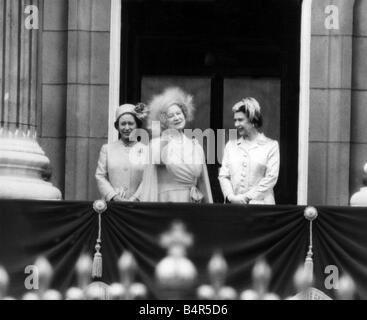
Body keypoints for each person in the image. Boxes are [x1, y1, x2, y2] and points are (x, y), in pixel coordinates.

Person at [134, 87, 213, 203]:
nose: (176, 118)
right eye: (171, 116)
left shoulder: (195, 145)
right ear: (164, 120)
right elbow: (158, 159)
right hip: (166, 201)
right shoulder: (157, 144)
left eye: (179, 113)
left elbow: (202, 181)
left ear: (184, 114)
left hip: (192, 201)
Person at [218, 97, 279, 204]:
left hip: (262, 207)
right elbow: (224, 175)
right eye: (235, 120)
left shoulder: (271, 146)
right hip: (234, 207)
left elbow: (271, 178)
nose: (236, 124)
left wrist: (247, 197)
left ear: (252, 120)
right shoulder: (230, 146)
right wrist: (231, 197)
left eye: (240, 120)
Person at [95, 103, 149, 201]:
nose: (127, 128)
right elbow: (100, 176)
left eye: (131, 123)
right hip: (113, 206)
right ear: (117, 127)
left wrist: (135, 198)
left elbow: (149, 178)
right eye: (123, 124)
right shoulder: (107, 149)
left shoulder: (147, 150)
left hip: (139, 206)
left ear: (137, 125)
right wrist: (114, 197)